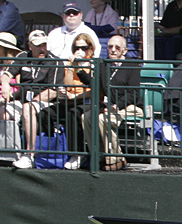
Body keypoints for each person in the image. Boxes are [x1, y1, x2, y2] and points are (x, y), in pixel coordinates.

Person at [85, 34, 142, 171]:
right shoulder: (103, 65)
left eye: (117, 47)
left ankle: (114, 157)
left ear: (124, 51)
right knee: (86, 117)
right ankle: (98, 155)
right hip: (109, 106)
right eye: (110, 46)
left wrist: (117, 106)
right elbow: (93, 83)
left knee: (102, 119)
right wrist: (79, 69)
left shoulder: (132, 65)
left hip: (130, 106)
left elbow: (133, 93)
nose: (113, 50)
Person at [14, 30, 65, 169]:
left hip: (45, 103)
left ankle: (29, 154)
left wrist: (32, 101)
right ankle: (5, 154)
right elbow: (7, 73)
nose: (42, 48)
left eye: (44, 44)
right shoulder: (22, 56)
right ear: (30, 46)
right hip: (22, 100)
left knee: (28, 108)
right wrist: (6, 84)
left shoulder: (55, 61)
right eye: (38, 45)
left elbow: (53, 92)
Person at [0, 32, 27, 164]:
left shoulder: (16, 66)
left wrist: (3, 100)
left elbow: (20, 89)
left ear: (7, 49)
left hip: (13, 101)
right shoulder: (0, 64)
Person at [60, 33, 97, 170]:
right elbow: (68, 85)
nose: (80, 51)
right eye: (76, 48)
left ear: (90, 49)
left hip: (87, 100)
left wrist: (76, 97)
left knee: (73, 113)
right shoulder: (70, 63)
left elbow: (94, 89)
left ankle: (77, 153)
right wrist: (72, 67)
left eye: (84, 48)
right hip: (71, 99)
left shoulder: (94, 63)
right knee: (46, 113)